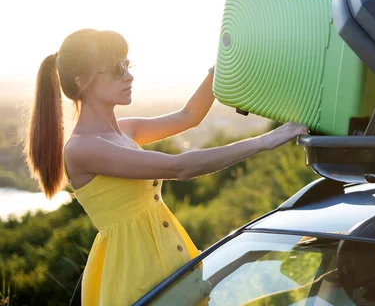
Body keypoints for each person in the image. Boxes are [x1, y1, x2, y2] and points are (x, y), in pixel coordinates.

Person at [24, 28, 308, 305]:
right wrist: (267, 140)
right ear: (83, 81)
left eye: (126, 64)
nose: (129, 75)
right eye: (115, 69)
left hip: (166, 263)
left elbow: (189, 115)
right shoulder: (82, 148)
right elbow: (179, 167)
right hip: (135, 277)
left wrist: (218, 66)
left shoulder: (125, 130)